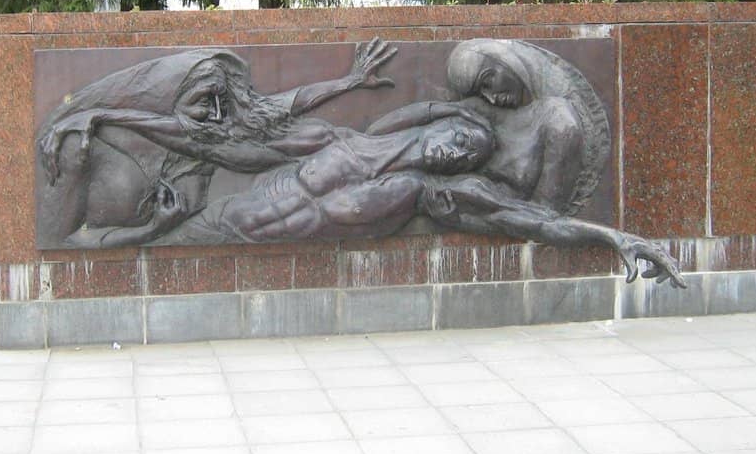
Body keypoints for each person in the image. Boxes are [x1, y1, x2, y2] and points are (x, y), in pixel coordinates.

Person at [123, 114, 684, 288]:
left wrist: (612, 235)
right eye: (460, 141)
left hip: (256, 242)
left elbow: (530, 219)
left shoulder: (431, 192)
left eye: (469, 156)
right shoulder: (344, 140)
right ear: (442, 125)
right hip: (210, 222)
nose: (456, 155)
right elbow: (239, 148)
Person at [37, 40, 398, 247]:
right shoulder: (113, 148)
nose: (215, 113)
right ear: (172, 101)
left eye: (221, 101)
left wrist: (350, 82)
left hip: (348, 153)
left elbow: (289, 100)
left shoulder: (228, 125)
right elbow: (63, 242)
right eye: (202, 101)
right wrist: (98, 116)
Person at [366, 39, 609, 216]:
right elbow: (374, 134)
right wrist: (447, 110)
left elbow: (544, 218)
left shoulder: (559, 124)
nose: (492, 97)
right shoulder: (479, 110)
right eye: (482, 90)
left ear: (504, 59)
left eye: (488, 81)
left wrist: (454, 215)